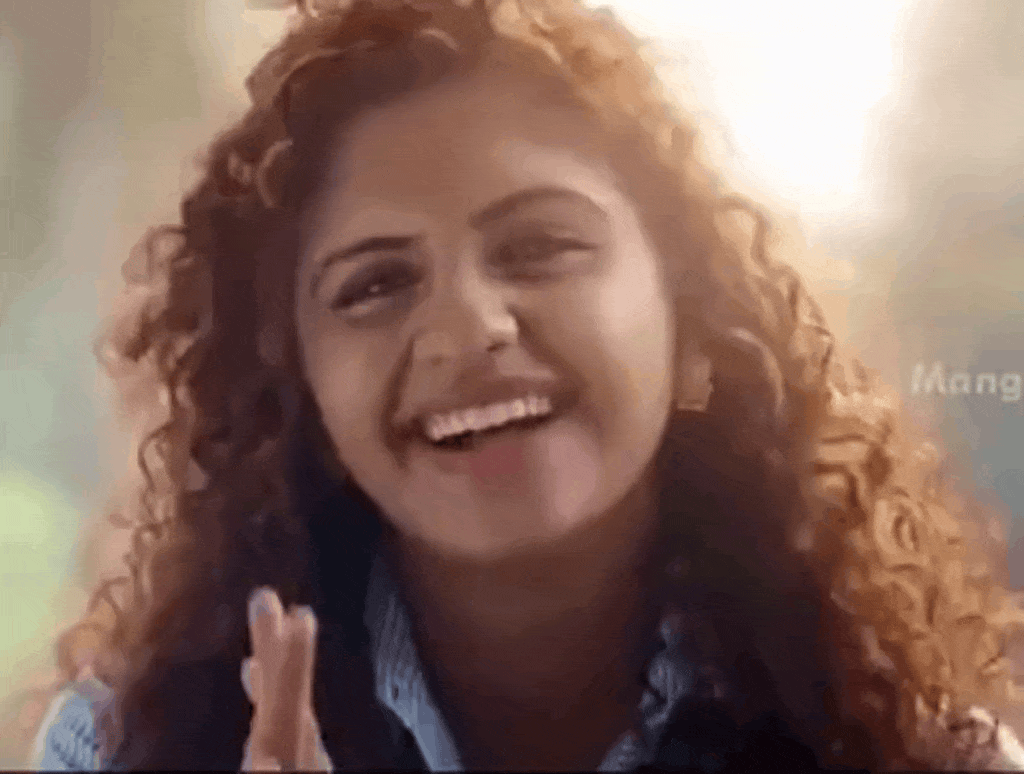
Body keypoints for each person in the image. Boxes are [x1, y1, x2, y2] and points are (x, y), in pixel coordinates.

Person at [27, 0, 1024, 770]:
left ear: (693, 327)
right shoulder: (118, 750)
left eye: (541, 245)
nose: (467, 327)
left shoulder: (922, 755)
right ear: (302, 402)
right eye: (374, 285)